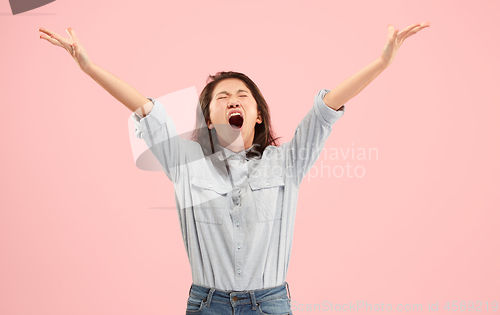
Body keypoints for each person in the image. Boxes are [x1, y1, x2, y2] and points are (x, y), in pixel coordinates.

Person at [39, 22, 430, 315]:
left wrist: (381, 62)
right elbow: (146, 110)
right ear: (209, 119)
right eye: (222, 97)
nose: (233, 101)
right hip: (207, 303)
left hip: (271, 304)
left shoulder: (288, 162)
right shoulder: (185, 164)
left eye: (242, 95)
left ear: (257, 115)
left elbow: (325, 111)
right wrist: (88, 67)